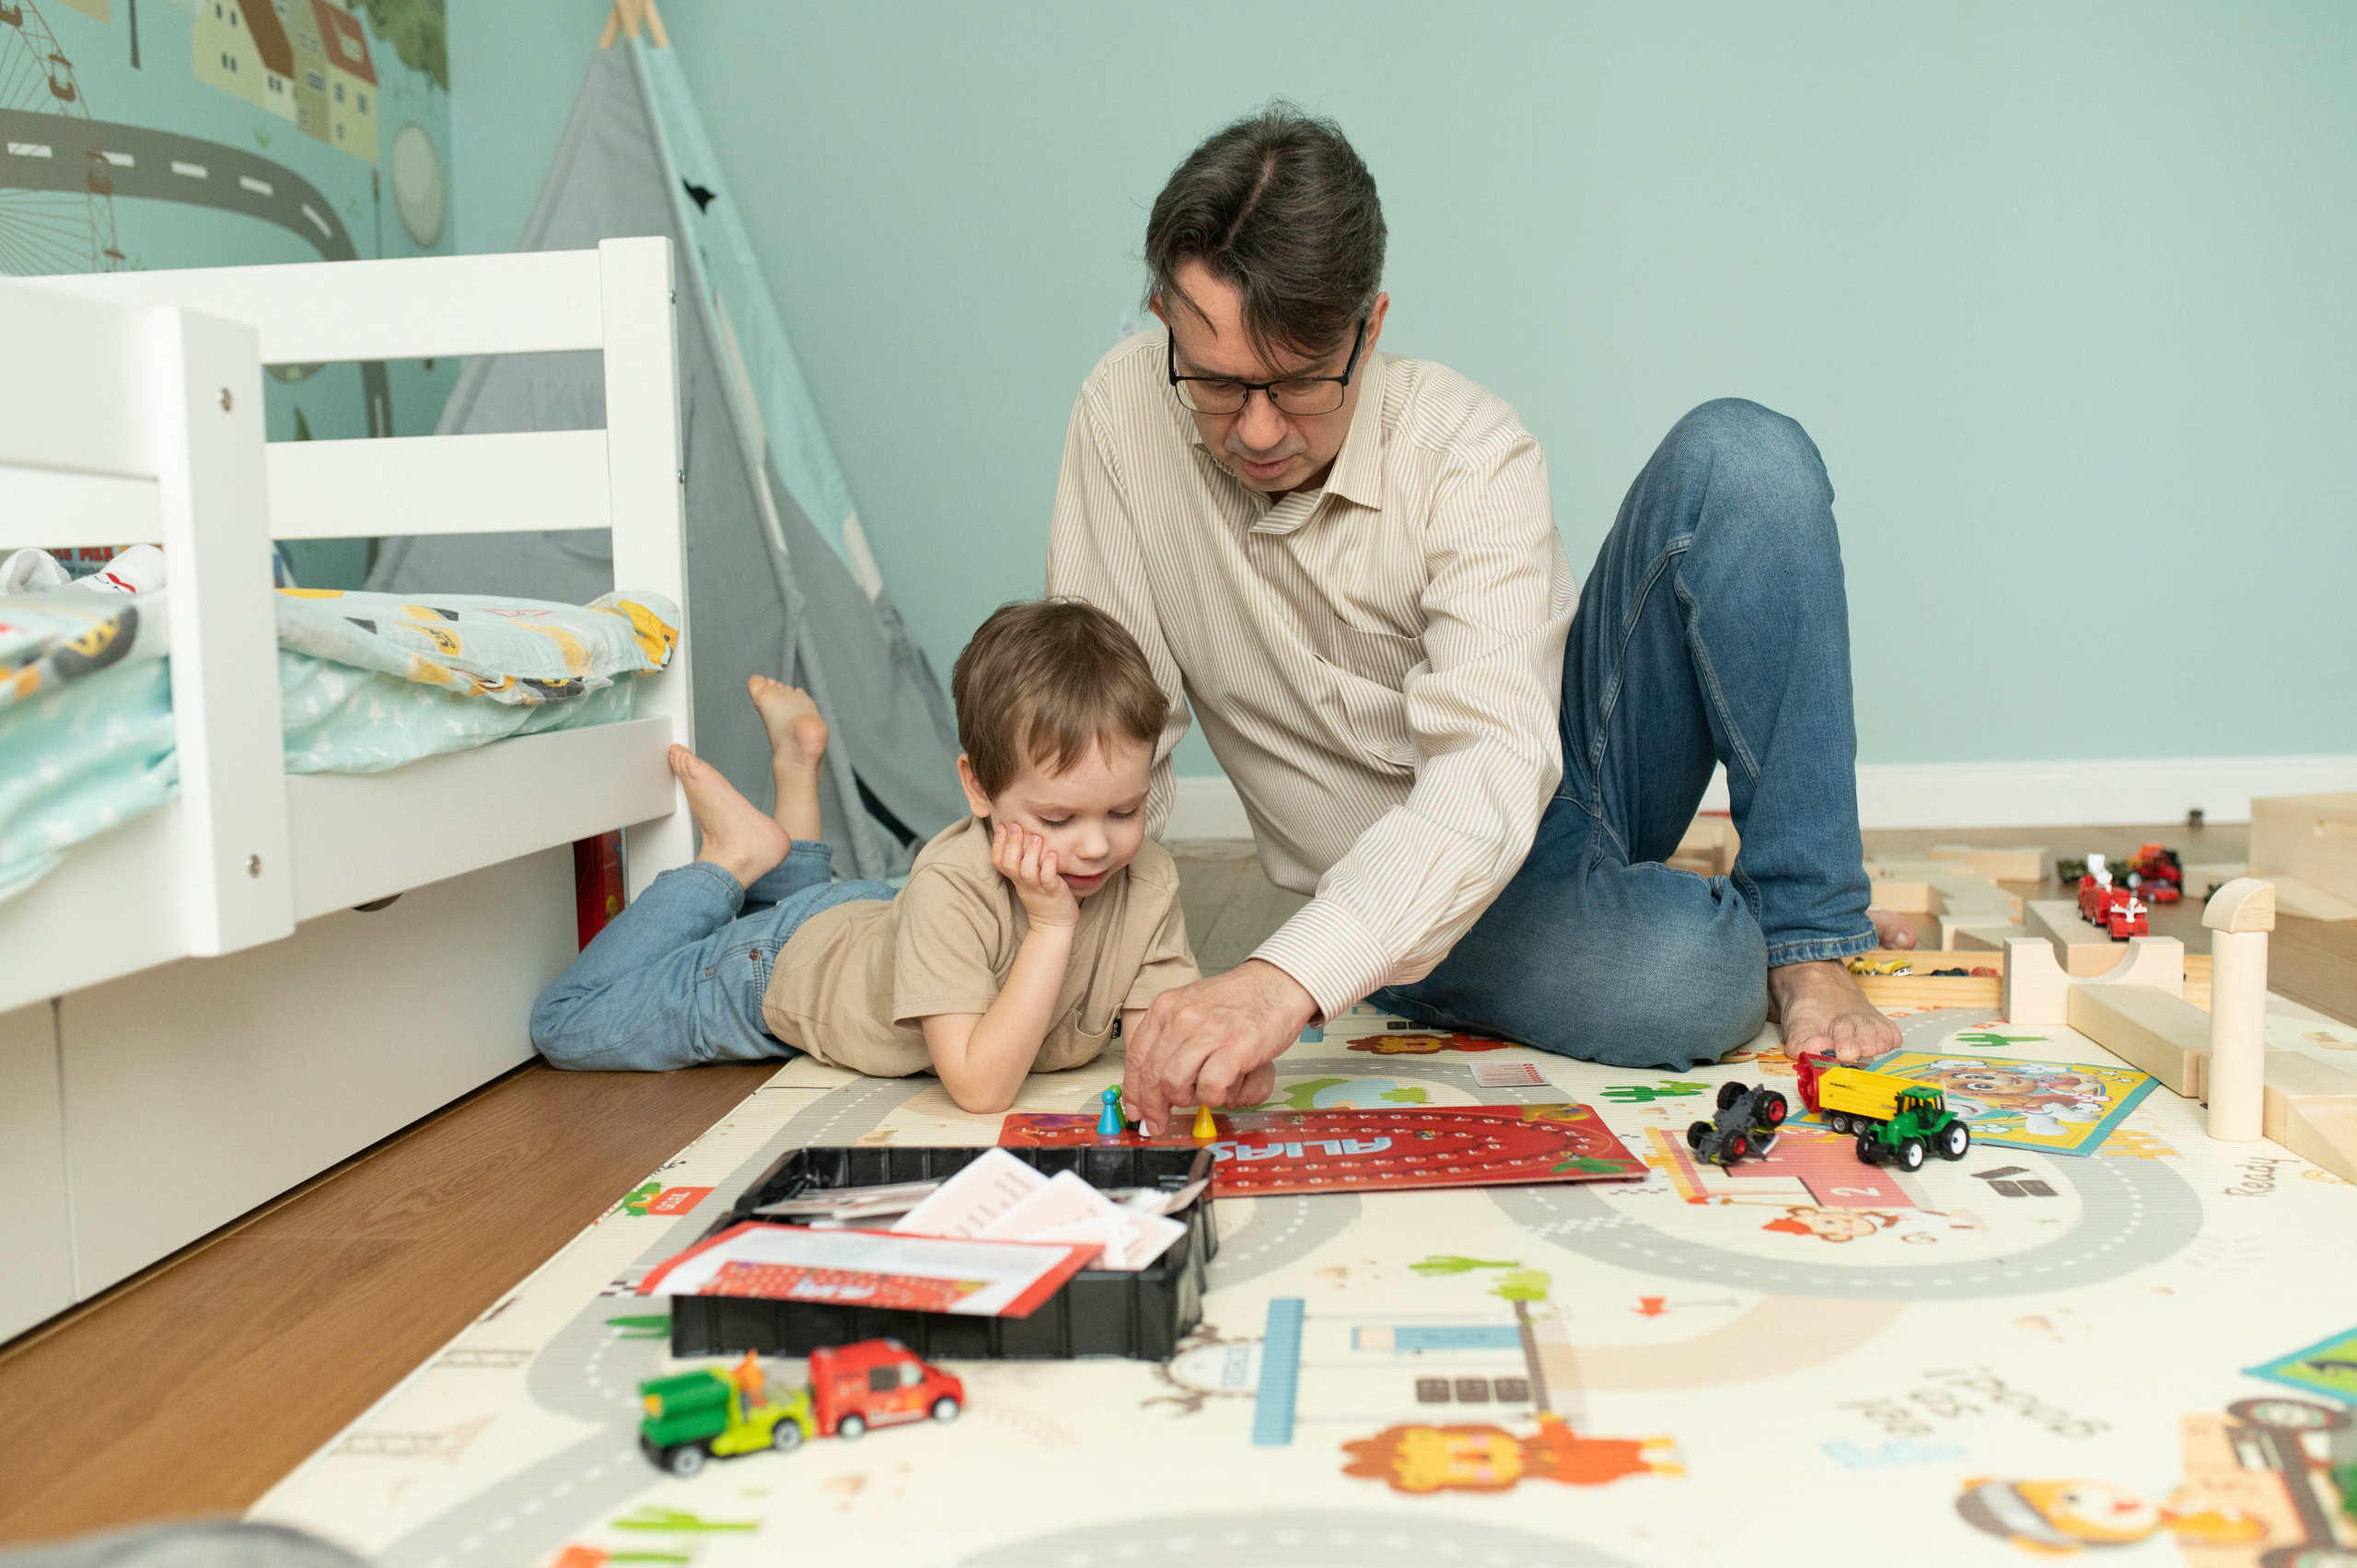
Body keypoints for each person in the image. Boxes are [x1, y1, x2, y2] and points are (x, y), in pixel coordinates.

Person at [1049, 104, 1910, 1136]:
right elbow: (1105, 725)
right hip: (1388, 868)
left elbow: (1492, 770)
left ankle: (1809, 939)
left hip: (1537, 784)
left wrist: (1281, 982)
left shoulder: (1468, 449)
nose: (1260, 429)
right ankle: (1628, 925)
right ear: (1164, 318)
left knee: (1749, 458)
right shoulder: (1121, 416)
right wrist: (1063, 950)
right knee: (1692, 976)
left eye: (1304, 382)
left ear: (1369, 327)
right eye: (1221, 384)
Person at [530, 600, 1199, 1112]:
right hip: (776, 971)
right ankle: (730, 860)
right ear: (978, 788)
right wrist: (1051, 927)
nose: (1097, 846)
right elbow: (981, 1087)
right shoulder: (951, 888)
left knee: (807, 910)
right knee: (564, 1020)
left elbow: (1157, 1046)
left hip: (872, 925)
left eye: (1125, 811)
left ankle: (796, 770)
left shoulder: (1146, 878)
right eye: (1057, 819)